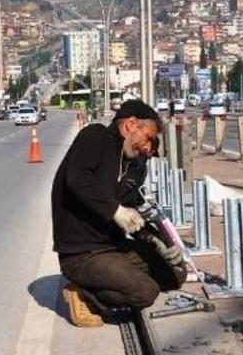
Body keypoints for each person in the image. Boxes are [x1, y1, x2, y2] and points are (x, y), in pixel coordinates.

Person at [52, 100, 185, 327]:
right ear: (129, 125)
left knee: (175, 275)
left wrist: (157, 240)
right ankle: (83, 294)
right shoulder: (96, 137)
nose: (149, 148)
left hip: (113, 247)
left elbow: (133, 214)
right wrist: (114, 211)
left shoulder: (135, 165)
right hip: (83, 253)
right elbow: (77, 179)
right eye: (149, 138)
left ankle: (114, 279)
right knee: (146, 292)